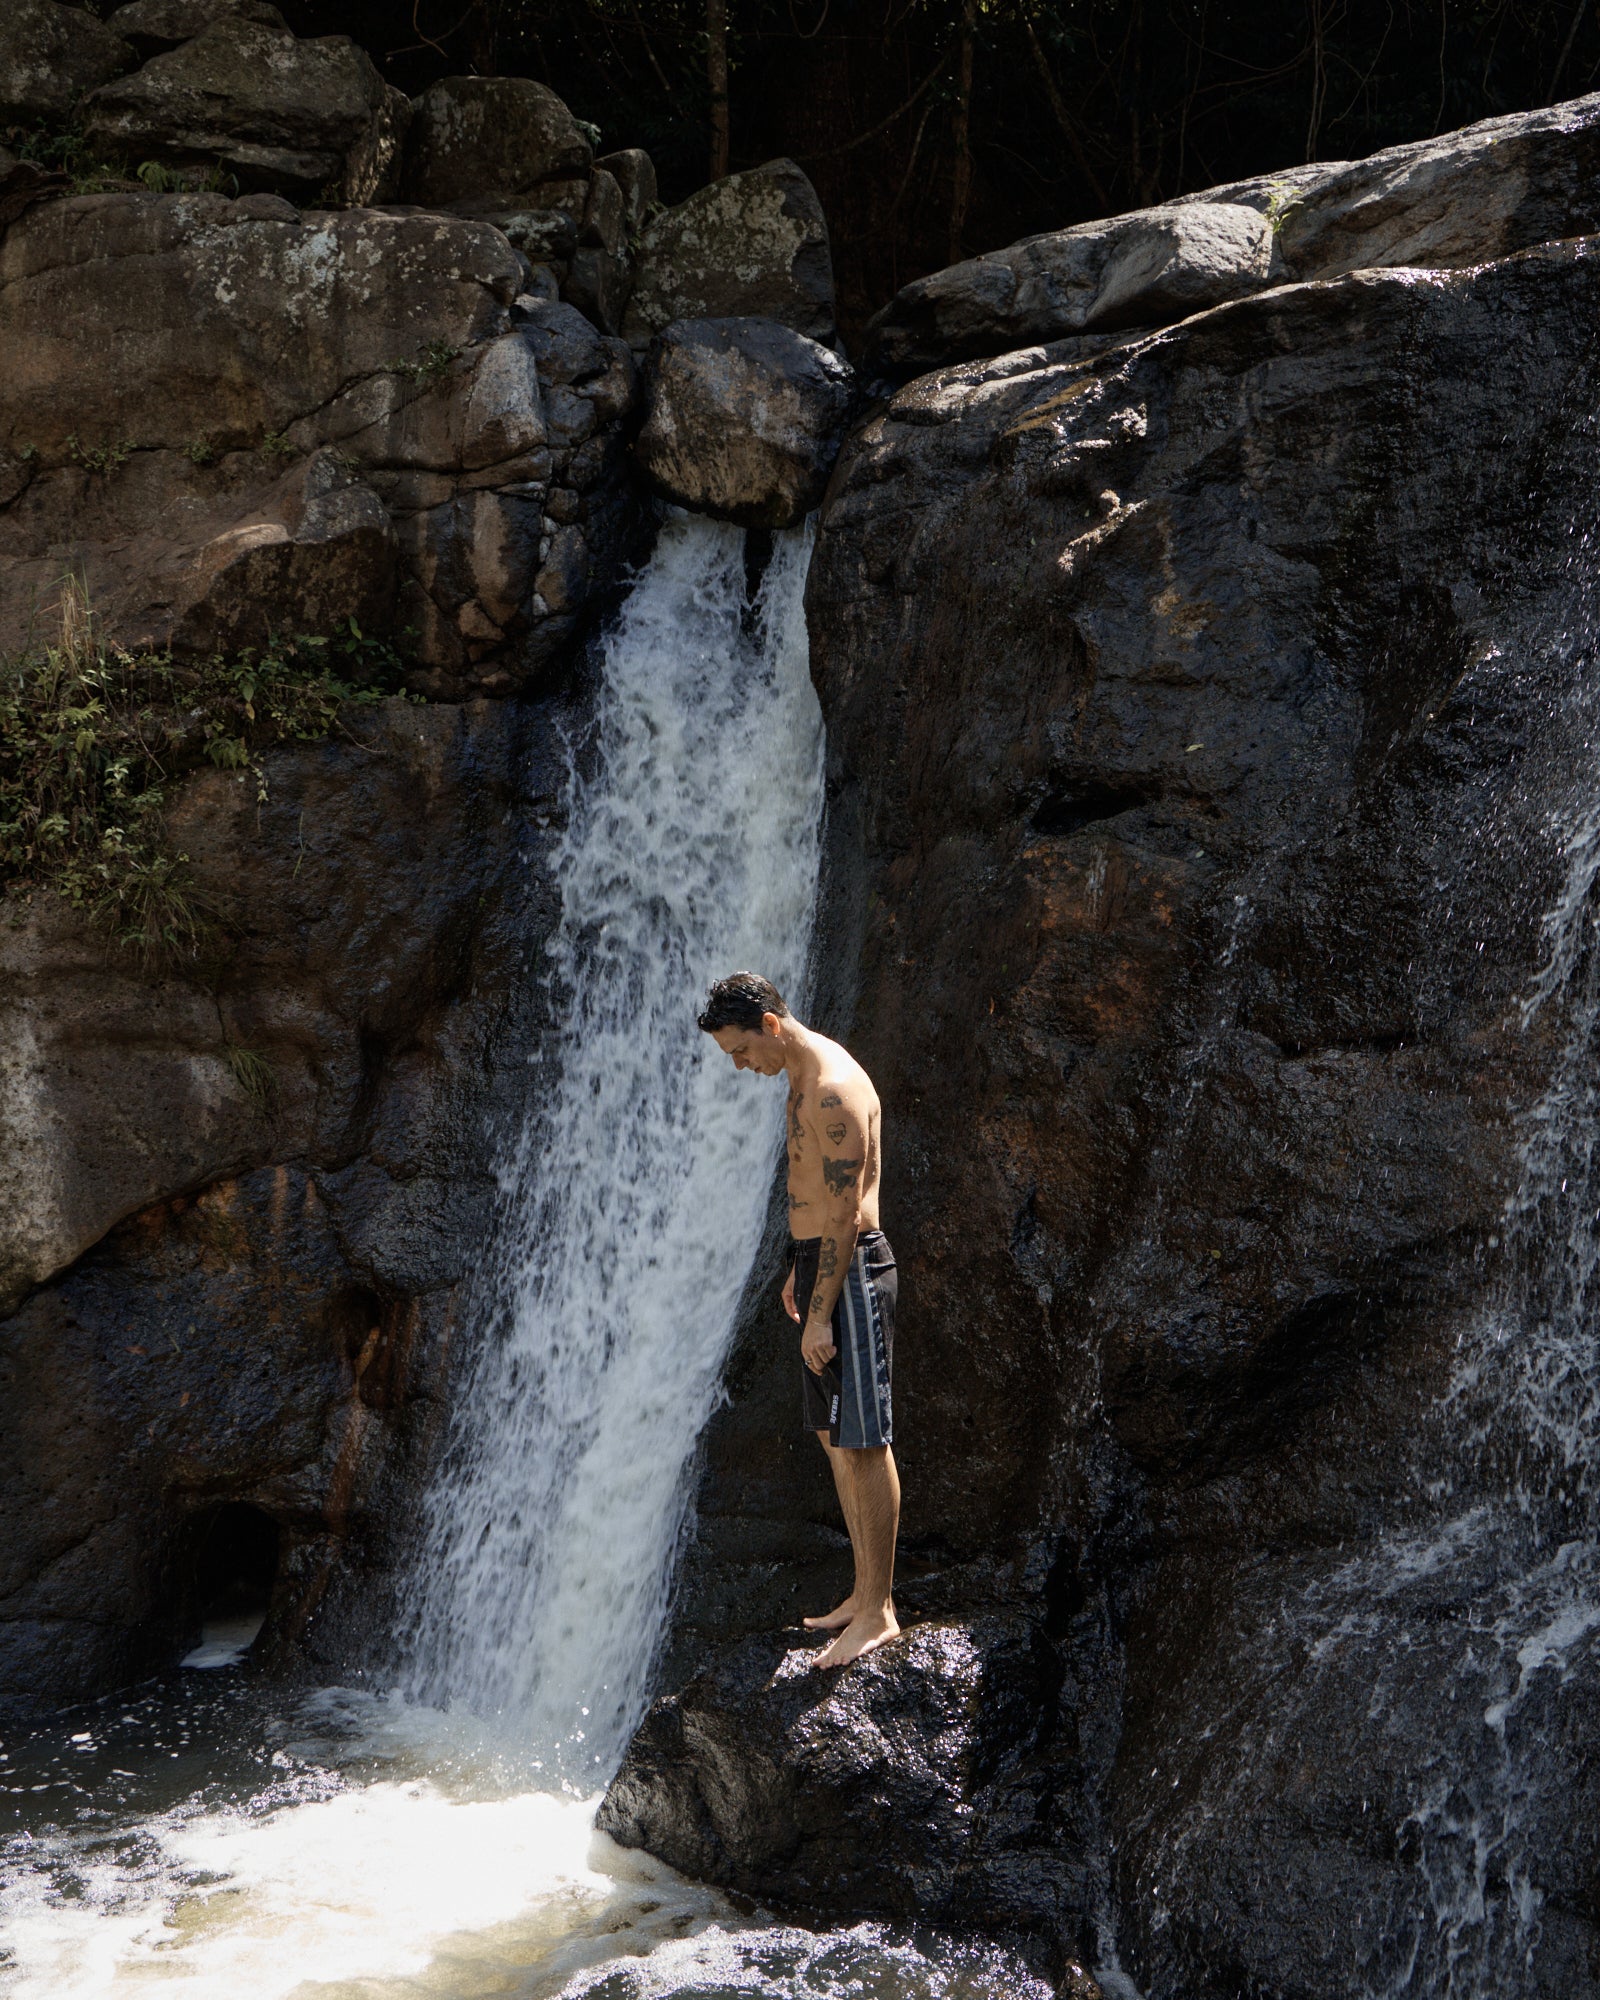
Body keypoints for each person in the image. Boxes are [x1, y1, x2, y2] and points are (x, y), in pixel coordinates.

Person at [698, 970, 900, 1669]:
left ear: (770, 1026)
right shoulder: (799, 1079)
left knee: (866, 1440)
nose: (740, 1066)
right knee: (833, 1436)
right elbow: (816, 1198)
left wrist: (821, 1312)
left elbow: (846, 1212)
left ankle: (878, 1611)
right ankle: (860, 1593)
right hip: (821, 1266)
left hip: (853, 1274)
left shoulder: (832, 1090)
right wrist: (800, 1268)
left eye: (741, 1051)